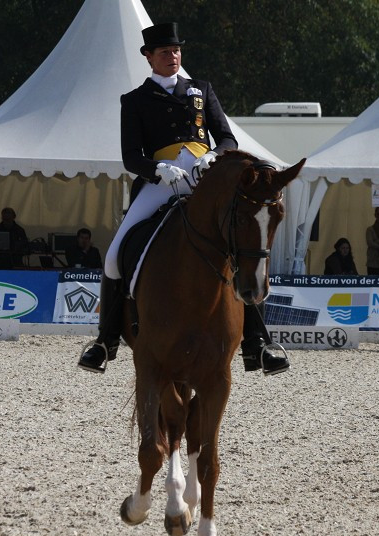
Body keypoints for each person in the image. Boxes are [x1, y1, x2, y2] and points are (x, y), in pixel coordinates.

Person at [79, 22, 288, 376]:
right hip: (162, 182)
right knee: (115, 256)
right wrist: (157, 169)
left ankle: (258, 344)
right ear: (149, 57)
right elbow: (131, 155)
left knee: (241, 244)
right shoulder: (134, 100)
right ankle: (104, 340)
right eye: (164, 52)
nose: (172, 56)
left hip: (205, 180)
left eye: (176, 51)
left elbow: (227, 138)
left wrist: (213, 156)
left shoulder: (201, 90)